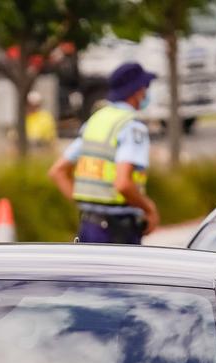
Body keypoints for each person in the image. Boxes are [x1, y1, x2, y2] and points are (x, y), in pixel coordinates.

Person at [48, 62, 160, 244]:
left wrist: (88, 207)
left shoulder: (95, 121)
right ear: (137, 92)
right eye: (145, 87)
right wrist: (149, 209)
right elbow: (123, 183)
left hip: (89, 226)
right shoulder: (131, 127)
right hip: (119, 231)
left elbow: (57, 172)